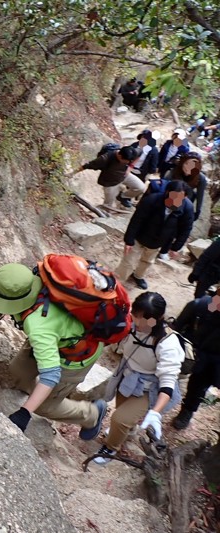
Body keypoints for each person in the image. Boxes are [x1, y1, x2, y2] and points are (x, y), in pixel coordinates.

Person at [0, 264, 107, 439]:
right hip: (53, 336)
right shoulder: (36, 280)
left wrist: (25, 412)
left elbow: (51, 375)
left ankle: (92, 414)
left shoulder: (38, 327)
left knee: (44, 406)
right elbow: (9, 297)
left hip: (75, 355)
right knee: (18, 371)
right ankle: (36, 392)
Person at [93, 292, 183, 464]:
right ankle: (128, 430)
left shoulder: (167, 344)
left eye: (143, 320)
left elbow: (168, 382)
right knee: (123, 412)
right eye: (136, 317)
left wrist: (156, 412)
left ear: (155, 319)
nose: (137, 324)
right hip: (126, 376)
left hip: (148, 388)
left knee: (119, 418)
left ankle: (111, 448)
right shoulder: (131, 324)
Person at [116, 180, 194, 290]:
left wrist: (176, 247)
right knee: (128, 261)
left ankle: (138, 276)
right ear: (167, 192)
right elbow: (136, 220)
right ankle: (117, 281)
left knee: (147, 261)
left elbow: (186, 228)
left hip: (159, 240)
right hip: (140, 236)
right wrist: (129, 240)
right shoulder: (152, 200)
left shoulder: (187, 208)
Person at [171, 293, 220, 429]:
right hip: (193, 351)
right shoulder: (200, 306)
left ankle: (188, 409)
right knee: (192, 383)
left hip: (215, 360)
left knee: (200, 386)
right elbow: (176, 328)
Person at [157, 151, 208, 260]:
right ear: (182, 163)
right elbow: (163, 186)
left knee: (174, 228)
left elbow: (200, 195)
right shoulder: (173, 172)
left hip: (184, 204)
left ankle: (164, 250)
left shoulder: (200, 178)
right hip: (168, 199)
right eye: (187, 164)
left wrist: (197, 211)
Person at [74, 145, 143, 210]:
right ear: (119, 155)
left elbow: (140, 152)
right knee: (108, 206)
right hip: (110, 183)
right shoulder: (105, 158)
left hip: (124, 175)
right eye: (126, 161)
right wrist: (72, 173)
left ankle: (123, 197)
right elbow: (87, 165)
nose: (128, 162)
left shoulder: (130, 154)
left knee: (140, 188)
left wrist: (130, 167)